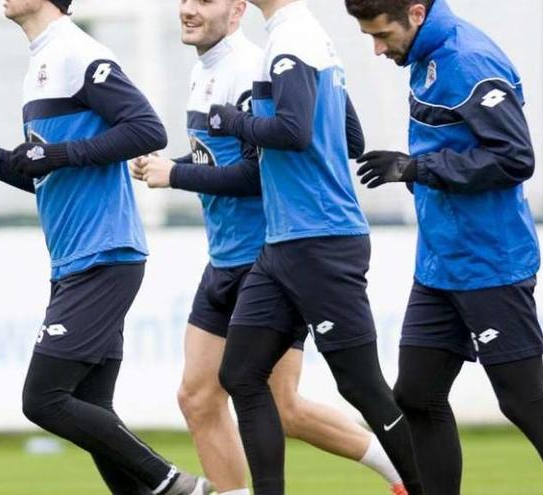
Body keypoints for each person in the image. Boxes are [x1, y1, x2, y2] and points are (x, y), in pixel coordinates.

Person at [0, 1, 212, 493]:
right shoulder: (42, 63)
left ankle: (174, 484)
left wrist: (56, 152)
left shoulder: (76, 52)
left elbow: (148, 130)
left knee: (43, 399)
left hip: (104, 255)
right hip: (79, 260)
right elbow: (47, 176)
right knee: (94, 409)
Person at [131, 1, 405, 494]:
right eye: (185, 0)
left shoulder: (262, 59)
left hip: (278, 247)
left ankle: (406, 470)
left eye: (205, 1)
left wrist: (177, 175)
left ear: (237, 12)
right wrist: (174, 164)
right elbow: (234, 151)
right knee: (199, 396)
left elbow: (269, 161)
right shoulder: (214, 69)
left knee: (289, 405)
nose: (188, 10)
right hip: (231, 259)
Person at [343, 1, 543, 494]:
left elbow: (515, 158)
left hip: (490, 262)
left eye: (381, 35)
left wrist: (419, 168)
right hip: (440, 262)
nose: (376, 49)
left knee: (523, 401)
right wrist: (418, 171)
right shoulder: (422, 55)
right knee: (416, 395)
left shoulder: (468, 60)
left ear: (415, 13)